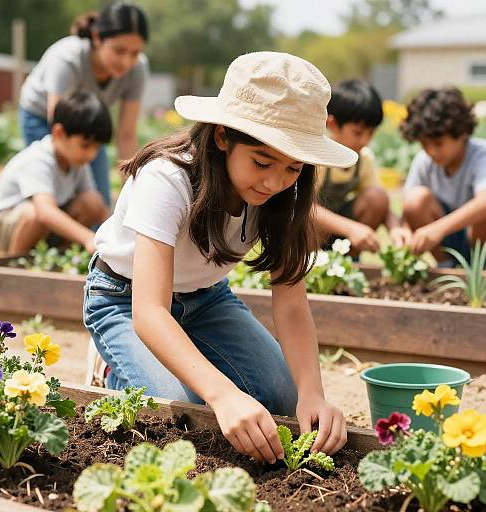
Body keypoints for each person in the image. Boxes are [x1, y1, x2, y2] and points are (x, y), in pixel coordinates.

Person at [84, 52, 356, 464]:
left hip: (207, 300)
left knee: (285, 399)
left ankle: (189, 358)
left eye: (293, 168)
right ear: (222, 136)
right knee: (185, 411)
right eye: (262, 162)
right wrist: (223, 393)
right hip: (125, 300)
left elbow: (293, 306)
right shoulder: (167, 178)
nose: (275, 182)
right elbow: (150, 312)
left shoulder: (283, 197)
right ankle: (111, 369)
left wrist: (314, 393)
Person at [19, 2, 150, 207]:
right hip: (45, 117)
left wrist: (130, 193)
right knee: (55, 190)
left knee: (100, 200)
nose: (126, 61)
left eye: (134, 53)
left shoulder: (138, 69)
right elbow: (60, 125)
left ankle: (89, 238)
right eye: (119, 50)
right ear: (98, 38)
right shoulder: (68, 58)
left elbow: (126, 133)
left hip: (87, 123)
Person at [0, 91, 111, 253]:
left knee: (92, 202)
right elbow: (45, 212)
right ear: (59, 133)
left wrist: (119, 235)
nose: (92, 154)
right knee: (34, 214)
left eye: (97, 148)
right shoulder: (39, 158)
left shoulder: (77, 162)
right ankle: (16, 265)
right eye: (85, 145)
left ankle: (61, 258)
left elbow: (94, 204)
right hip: (6, 226)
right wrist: (87, 238)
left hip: (43, 227)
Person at [315, 79, 410, 253]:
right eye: (358, 133)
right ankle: (303, 263)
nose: (365, 140)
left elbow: (380, 202)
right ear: (332, 124)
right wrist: (350, 228)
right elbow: (304, 209)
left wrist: (396, 228)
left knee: (377, 198)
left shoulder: (364, 158)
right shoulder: (318, 157)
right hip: (309, 232)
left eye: (371, 133)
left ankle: (348, 261)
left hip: (339, 231)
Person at [401, 87, 486, 263]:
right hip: (448, 241)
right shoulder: (424, 161)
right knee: (415, 199)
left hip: (478, 240)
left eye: (438, 143)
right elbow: (408, 211)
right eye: (425, 144)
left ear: (462, 133)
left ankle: (479, 266)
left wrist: (438, 228)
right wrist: (404, 232)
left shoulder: (480, 155)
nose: (431, 151)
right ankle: (446, 265)